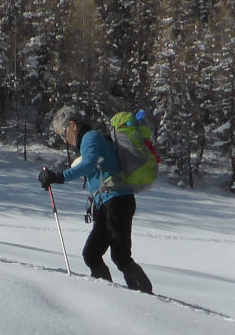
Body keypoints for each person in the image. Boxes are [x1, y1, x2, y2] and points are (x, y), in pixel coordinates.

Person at [39, 109, 151, 292]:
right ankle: (105, 293)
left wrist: (58, 177)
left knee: (121, 256)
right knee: (91, 254)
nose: (64, 139)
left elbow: (89, 164)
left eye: (63, 134)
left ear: (73, 126)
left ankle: (147, 298)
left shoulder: (90, 137)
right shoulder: (89, 141)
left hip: (118, 201)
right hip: (105, 204)